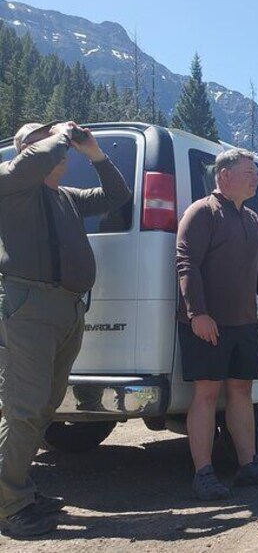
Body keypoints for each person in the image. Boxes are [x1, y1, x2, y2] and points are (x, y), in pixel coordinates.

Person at [0, 121, 131, 537]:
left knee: (44, 406)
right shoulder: (12, 186)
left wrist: (95, 154)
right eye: (46, 145)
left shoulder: (66, 198)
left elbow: (118, 198)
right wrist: (59, 134)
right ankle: (8, 506)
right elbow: (31, 161)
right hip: (29, 308)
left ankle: (19, 488)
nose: (60, 153)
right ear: (25, 151)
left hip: (67, 310)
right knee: (24, 406)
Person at [176, 148, 258, 501]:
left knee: (242, 392)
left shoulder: (252, 218)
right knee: (206, 394)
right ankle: (203, 473)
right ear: (224, 176)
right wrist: (198, 314)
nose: (256, 178)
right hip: (208, 323)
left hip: (244, 324)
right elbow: (186, 264)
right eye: (249, 172)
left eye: (256, 172)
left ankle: (248, 464)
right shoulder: (202, 211)